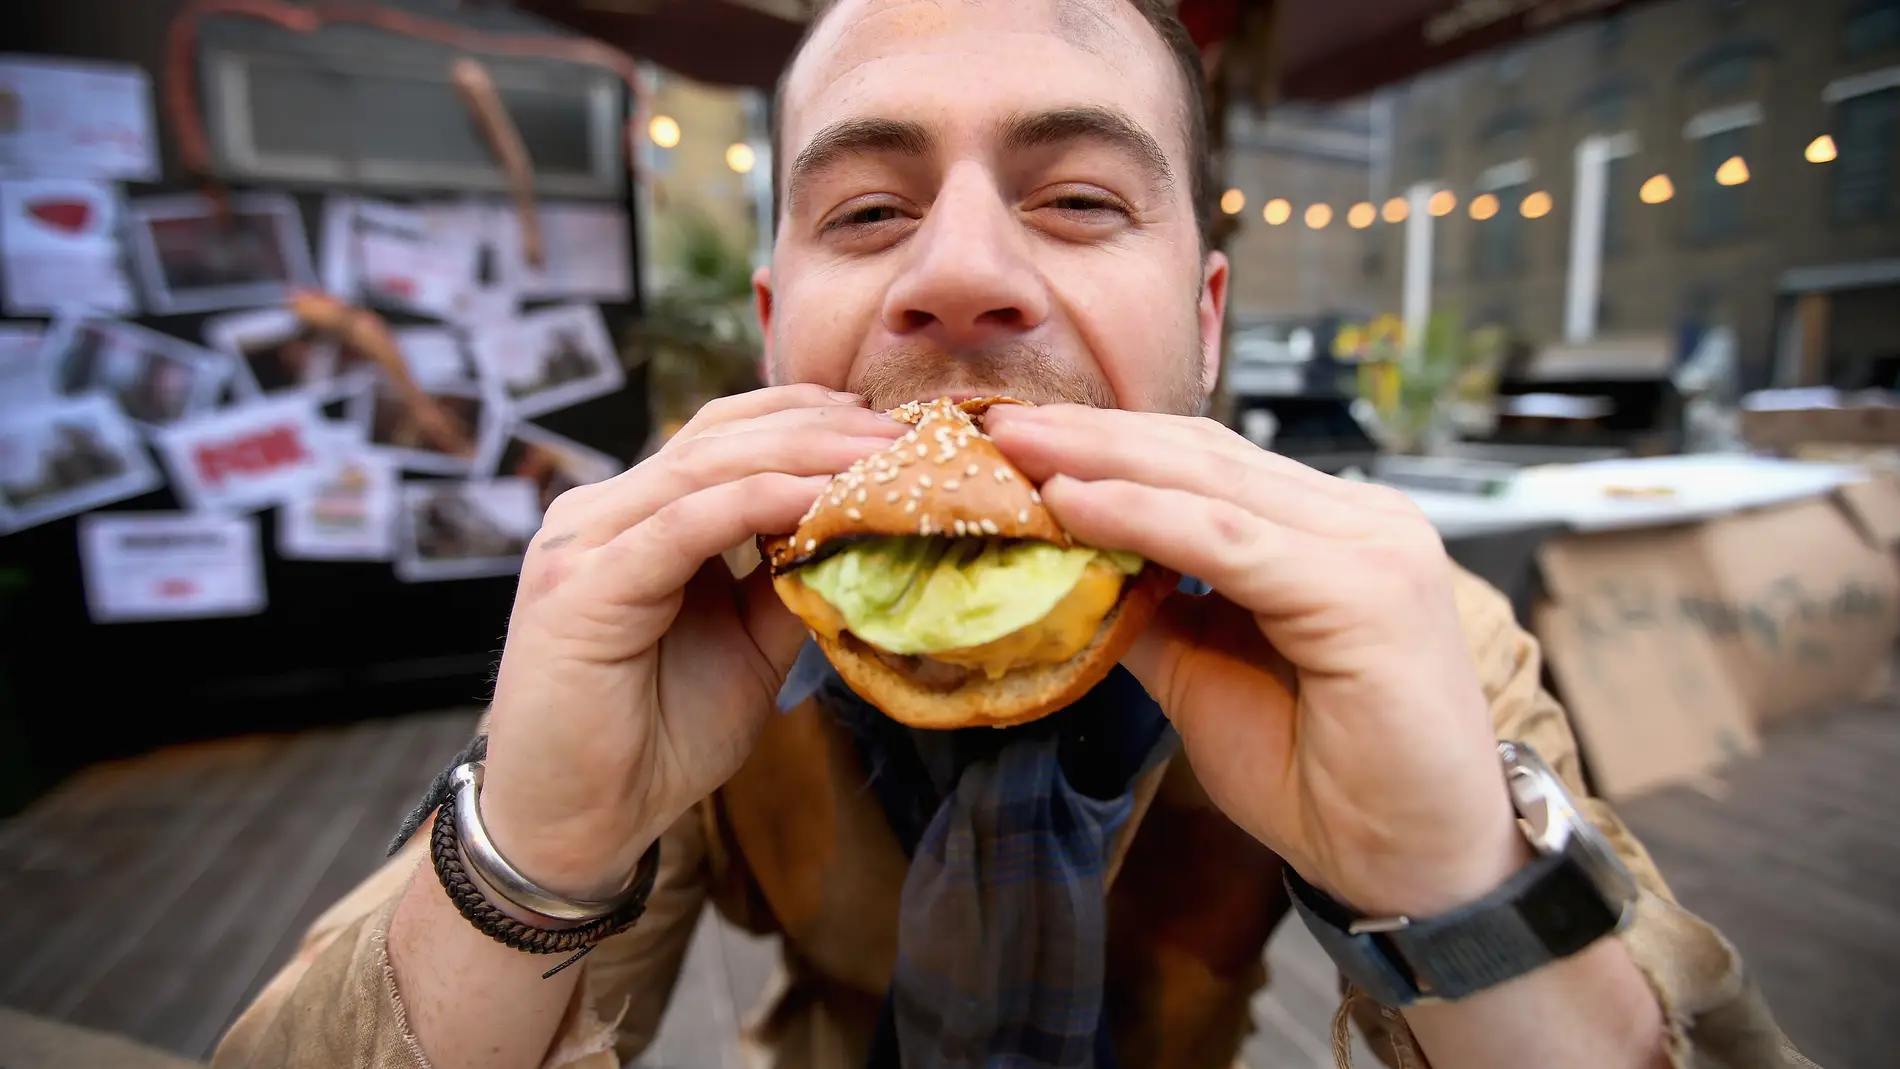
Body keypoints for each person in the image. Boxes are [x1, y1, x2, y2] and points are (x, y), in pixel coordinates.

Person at [213, 2, 1804, 1067]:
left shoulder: (1407, 630)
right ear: (780, 333)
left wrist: (1456, 883)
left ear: (1205, 324)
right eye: (866, 212)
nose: (962, 273)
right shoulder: (681, 618)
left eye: (1082, 199)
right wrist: (537, 846)